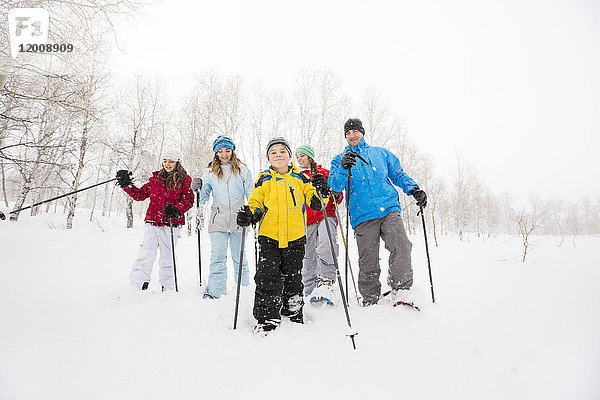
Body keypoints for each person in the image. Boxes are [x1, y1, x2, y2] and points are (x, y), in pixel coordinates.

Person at [328, 118, 428, 306]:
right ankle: (370, 298)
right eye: (348, 133)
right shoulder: (339, 160)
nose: (352, 135)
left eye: (355, 131)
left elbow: (398, 174)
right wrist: (343, 167)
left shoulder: (380, 153)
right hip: (362, 214)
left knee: (401, 244)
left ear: (362, 132)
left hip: (389, 208)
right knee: (368, 258)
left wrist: (414, 189)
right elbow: (334, 186)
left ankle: (402, 290)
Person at [236, 137, 330, 333]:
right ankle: (267, 316)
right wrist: (249, 215)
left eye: (282, 152)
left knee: (293, 276)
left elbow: (315, 201)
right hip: (269, 237)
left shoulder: (301, 178)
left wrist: (322, 191)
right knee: (267, 276)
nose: (278, 155)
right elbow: (256, 204)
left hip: (295, 237)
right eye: (273, 153)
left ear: (289, 156)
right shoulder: (263, 180)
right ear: (268, 158)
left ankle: (293, 309)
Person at [116, 148, 194, 291]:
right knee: (145, 254)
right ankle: (137, 285)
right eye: (165, 161)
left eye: (171, 161)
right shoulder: (155, 179)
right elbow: (139, 195)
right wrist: (126, 185)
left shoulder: (184, 180)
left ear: (178, 162)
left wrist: (177, 209)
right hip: (152, 222)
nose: (167, 164)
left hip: (171, 224)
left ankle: (168, 287)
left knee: (167, 258)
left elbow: (189, 200)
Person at [190, 135, 253, 299]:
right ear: (215, 153)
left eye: (227, 150)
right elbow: (202, 198)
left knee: (240, 258)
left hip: (239, 221)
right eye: (220, 151)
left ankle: (243, 291)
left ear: (233, 151)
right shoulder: (209, 173)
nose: (224, 154)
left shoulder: (243, 170)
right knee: (218, 257)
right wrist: (196, 188)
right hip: (218, 220)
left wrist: (251, 214)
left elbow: (252, 196)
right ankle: (216, 292)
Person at [295, 144, 343, 305]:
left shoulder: (323, 173)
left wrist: (330, 190)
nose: (300, 159)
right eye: (297, 157)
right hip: (307, 218)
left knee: (326, 243)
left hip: (325, 213)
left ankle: (326, 280)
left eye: (302, 155)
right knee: (308, 253)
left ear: (310, 156)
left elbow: (338, 196)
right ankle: (308, 288)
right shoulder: (297, 177)